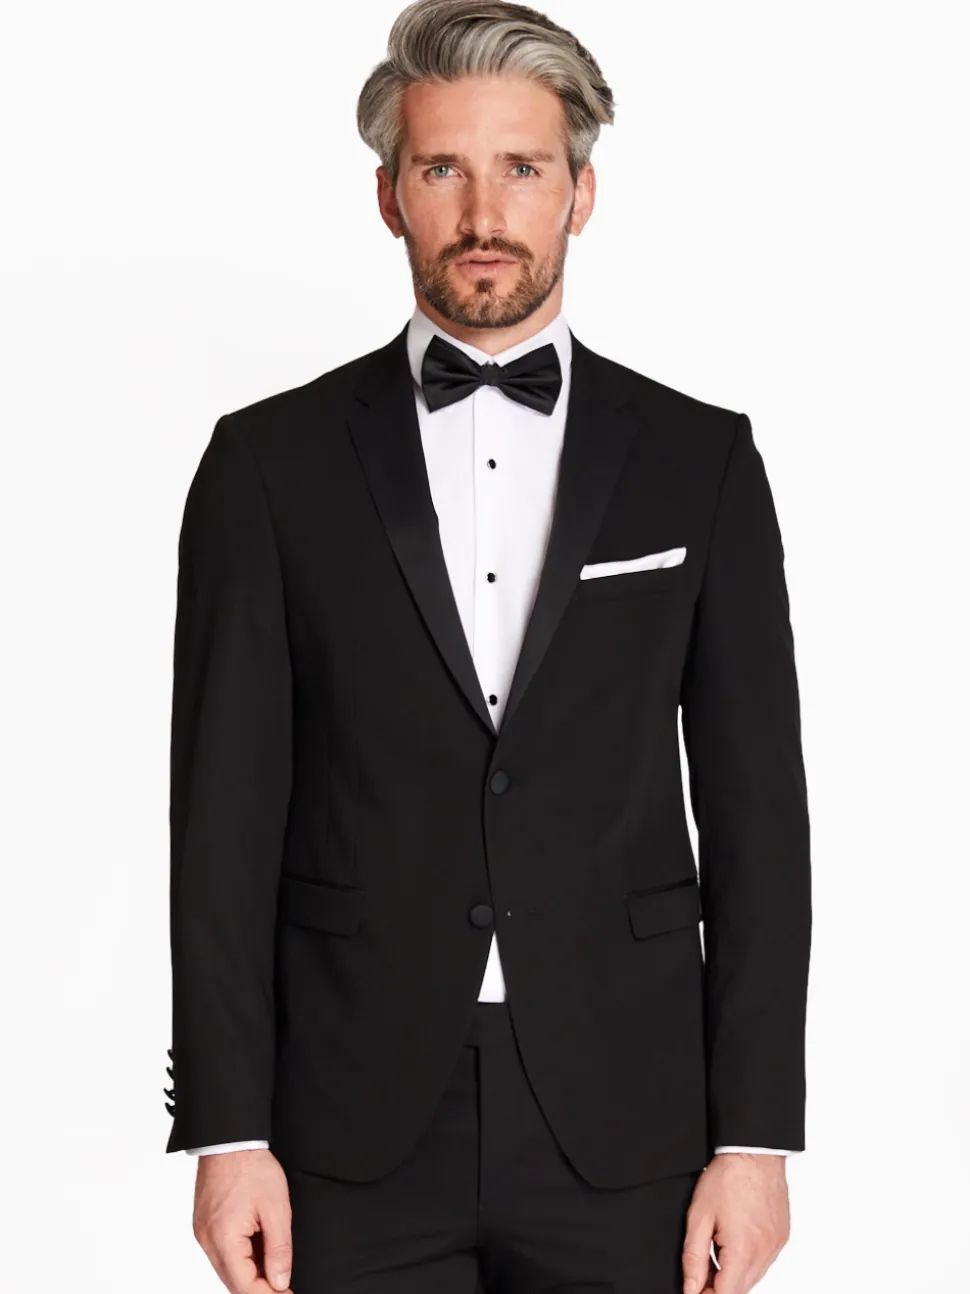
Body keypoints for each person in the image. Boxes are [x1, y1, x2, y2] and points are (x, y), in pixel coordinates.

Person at [163, 2, 812, 1291]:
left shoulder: (703, 463)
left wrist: (755, 1138)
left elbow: (759, 819)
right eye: (441, 168)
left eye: (521, 167)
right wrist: (229, 1132)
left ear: (581, 192)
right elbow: (220, 821)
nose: (482, 213)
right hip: (344, 1118)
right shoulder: (266, 466)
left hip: (631, 1119)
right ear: (388, 196)